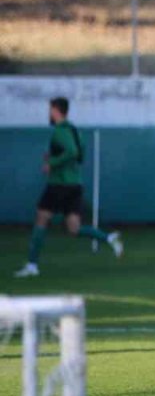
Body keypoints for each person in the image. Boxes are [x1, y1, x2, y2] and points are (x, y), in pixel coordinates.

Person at [15, 97, 123, 278]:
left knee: (41, 219)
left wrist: (52, 163)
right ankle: (109, 238)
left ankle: (32, 265)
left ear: (56, 110)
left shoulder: (59, 131)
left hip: (59, 184)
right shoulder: (75, 131)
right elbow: (79, 155)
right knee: (74, 228)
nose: (49, 113)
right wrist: (56, 158)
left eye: (50, 110)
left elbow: (71, 152)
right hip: (75, 184)